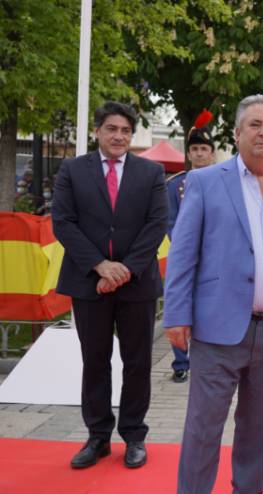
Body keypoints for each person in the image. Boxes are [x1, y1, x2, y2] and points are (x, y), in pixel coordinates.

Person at [163, 94, 263, 494]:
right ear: (236, 133)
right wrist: (176, 314)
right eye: (255, 124)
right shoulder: (204, 182)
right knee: (203, 428)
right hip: (217, 329)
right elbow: (182, 253)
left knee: (258, 430)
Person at [51, 101, 168, 469]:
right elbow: (63, 222)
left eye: (125, 131)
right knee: (95, 360)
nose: (119, 136)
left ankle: (134, 435)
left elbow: (156, 224)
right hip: (88, 281)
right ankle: (98, 436)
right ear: (97, 131)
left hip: (137, 284)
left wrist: (124, 271)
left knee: (137, 362)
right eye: (112, 129)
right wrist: (100, 266)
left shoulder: (151, 172)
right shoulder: (73, 170)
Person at [165, 108, 217, 383]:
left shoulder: (223, 183)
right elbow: (171, 222)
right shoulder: (175, 185)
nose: (199, 154)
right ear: (188, 154)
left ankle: (208, 359)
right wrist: (186, 249)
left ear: (212, 154)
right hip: (185, 257)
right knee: (180, 305)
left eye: (203, 149)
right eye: (194, 149)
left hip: (215, 258)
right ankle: (181, 362)